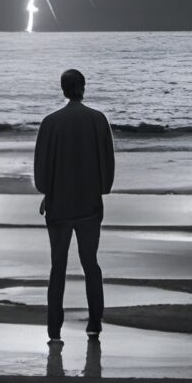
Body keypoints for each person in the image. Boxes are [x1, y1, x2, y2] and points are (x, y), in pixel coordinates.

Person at [33, 65, 113, 341]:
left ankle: (54, 327)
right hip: (89, 205)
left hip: (58, 208)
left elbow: (41, 170)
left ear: (63, 88)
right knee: (91, 264)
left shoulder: (50, 122)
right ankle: (94, 323)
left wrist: (47, 191)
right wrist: (101, 190)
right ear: (82, 87)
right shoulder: (97, 119)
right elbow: (107, 163)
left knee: (58, 267)